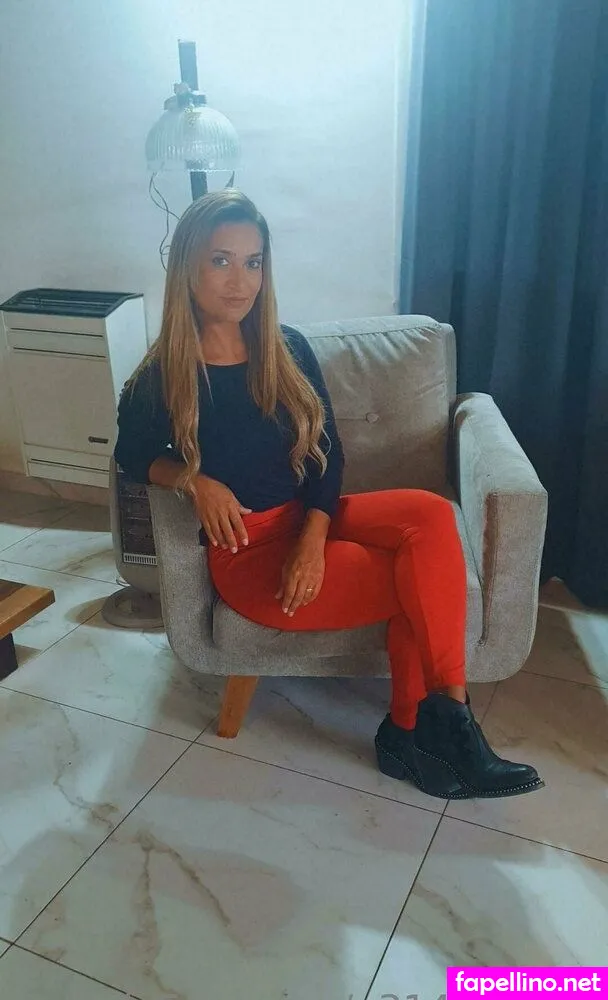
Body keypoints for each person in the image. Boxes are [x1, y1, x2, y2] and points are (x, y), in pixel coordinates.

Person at [114, 189, 543, 801]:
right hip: (250, 556)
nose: (241, 281)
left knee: (429, 516)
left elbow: (327, 452)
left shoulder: (285, 348)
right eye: (221, 261)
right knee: (422, 577)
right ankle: (427, 735)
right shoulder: (163, 374)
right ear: (187, 266)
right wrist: (192, 479)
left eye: (254, 261)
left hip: (308, 519)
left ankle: (436, 726)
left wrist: (313, 538)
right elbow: (131, 454)